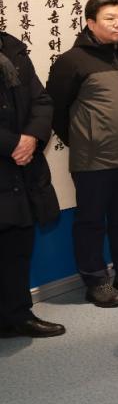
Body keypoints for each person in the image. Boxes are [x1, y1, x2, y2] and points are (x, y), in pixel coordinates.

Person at [46, 0, 118, 307]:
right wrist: (86, 140)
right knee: (91, 221)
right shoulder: (72, 61)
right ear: (90, 23)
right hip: (93, 159)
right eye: (110, 18)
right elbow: (55, 110)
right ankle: (96, 281)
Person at [0, 31, 65, 339]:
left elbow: (42, 101)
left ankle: (17, 316)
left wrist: (31, 138)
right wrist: (13, 144)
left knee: (17, 248)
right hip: (9, 158)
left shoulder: (13, 50)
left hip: (21, 171)